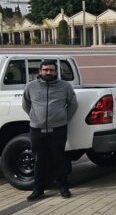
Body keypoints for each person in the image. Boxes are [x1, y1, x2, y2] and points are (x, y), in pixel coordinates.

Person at [22, 60, 78, 201]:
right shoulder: (30, 87)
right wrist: (35, 118)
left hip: (58, 129)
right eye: (46, 70)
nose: (49, 72)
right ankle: (38, 190)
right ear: (39, 71)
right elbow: (26, 104)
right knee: (39, 160)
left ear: (56, 72)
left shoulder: (65, 86)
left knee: (59, 159)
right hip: (37, 130)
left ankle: (63, 187)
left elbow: (72, 104)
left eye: (52, 70)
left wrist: (62, 118)